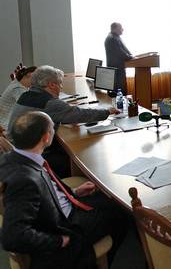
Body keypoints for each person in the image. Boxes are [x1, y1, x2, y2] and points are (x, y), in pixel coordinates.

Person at [0, 111, 128, 268]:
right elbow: (12, 237)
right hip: (64, 225)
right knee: (121, 213)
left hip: (61, 207)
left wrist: (73, 192)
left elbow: (42, 191)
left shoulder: (18, 157)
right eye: (52, 128)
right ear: (46, 137)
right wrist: (59, 241)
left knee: (107, 199)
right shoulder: (24, 181)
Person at [8, 66, 118, 177]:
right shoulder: (49, 103)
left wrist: (66, 116)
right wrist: (107, 111)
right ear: (51, 85)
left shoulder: (26, 95)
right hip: (33, 158)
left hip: (17, 153)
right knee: (84, 158)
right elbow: (79, 115)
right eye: (60, 83)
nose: (61, 88)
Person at [104, 22, 133, 95]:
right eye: (120, 28)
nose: (122, 29)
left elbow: (124, 49)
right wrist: (131, 57)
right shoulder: (112, 38)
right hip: (117, 70)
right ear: (115, 29)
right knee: (120, 92)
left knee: (120, 92)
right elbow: (120, 53)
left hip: (117, 69)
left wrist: (131, 55)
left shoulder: (115, 37)